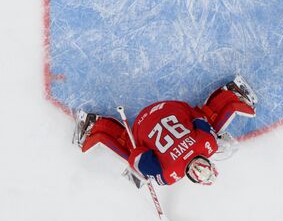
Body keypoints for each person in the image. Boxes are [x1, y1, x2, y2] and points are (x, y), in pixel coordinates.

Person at [73, 75, 258, 186]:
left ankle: (232, 92)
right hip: (142, 120)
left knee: (205, 120)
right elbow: (138, 155)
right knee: (131, 146)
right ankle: (94, 126)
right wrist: (141, 173)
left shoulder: (208, 145)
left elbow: (198, 118)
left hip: (169, 108)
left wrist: (209, 135)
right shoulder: (168, 177)